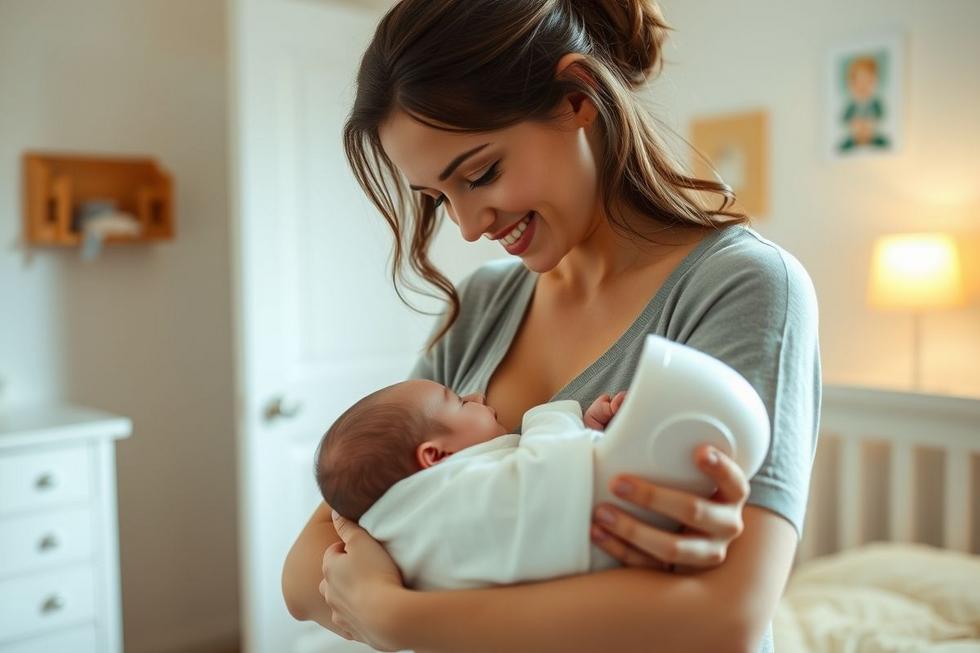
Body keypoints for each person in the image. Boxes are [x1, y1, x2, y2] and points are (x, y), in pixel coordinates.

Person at [282, 1, 821, 652]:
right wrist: (631, 598)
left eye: (481, 173)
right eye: (439, 198)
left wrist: (399, 614)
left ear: (577, 98)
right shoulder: (483, 304)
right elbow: (304, 574)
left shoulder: (741, 286)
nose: (469, 226)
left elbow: (725, 618)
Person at [316, 380, 629, 590]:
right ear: (436, 455)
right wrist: (551, 418)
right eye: (460, 402)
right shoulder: (452, 505)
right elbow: (548, 475)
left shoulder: (400, 535)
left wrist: (588, 435)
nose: (477, 395)